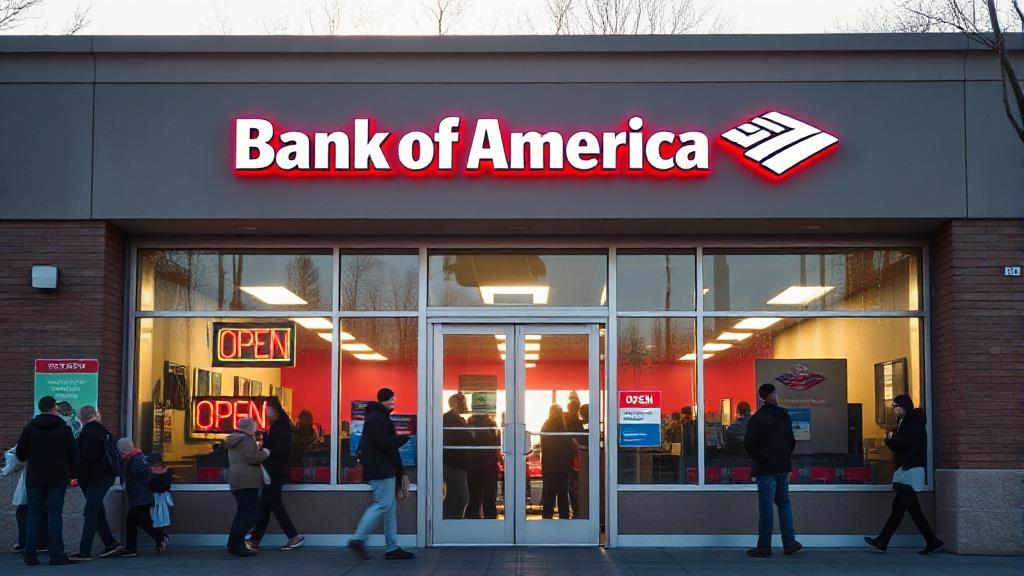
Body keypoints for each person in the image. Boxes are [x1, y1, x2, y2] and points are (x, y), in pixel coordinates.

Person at [865, 394, 943, 555]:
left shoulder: (913, 422)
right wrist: (891, 440)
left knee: (911, 509)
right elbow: (901, 443)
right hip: (906, 467)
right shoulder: (904, 421)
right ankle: (883, 541)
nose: (894, 409)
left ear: (903, 407)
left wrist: (891, 441)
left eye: (896, 406)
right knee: (900, 509)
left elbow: (907, 442)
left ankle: (931, 541)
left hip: (910, 468)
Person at [348, 388, 415, 561]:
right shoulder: (379, 418)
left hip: (382, 468)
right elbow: (384, 443)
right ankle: (358, 539)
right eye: (392, 399)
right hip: (381, 469)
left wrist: (398, 469)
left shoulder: (375, 417)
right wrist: (403, 439)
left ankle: (392, 547)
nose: (394, 402)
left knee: (389, 507)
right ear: (384, 400)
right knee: (383, 504)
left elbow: (382, 444)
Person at [16, 395, 78, 566]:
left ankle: (30, 554)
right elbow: (73, 455)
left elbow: (20, 454)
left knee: (34, 515)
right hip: (57, 478)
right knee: (55, 515)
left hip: (35, 477)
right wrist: (73, 475)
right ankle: (56, 554)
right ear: (53, 408)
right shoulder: (64, 429)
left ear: (40, 408)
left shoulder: (30, 428)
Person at [744, 384, 801, 557]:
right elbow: (791, 442)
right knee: (784, 504)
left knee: (766, 508)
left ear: (761, 398)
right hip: (782, 467)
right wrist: (783, 457)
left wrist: (761, 459)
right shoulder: (784, 416)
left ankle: (764, 546)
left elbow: (749, 444)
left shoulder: (757, 419)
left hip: (765, 469)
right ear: (775, 395)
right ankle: (789, 543)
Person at [249, 398, 304, 552]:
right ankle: (255, 539)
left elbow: (280, 448)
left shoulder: (280, 428)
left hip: (274, 471)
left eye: (268, 409)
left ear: (276, 411)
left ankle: (293, 535)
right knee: (266, 505)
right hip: (274, 470)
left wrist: (266, 451)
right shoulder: (278, 427)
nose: (266, 412)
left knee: (273, 504)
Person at [70, 406, 122, 561]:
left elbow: (87, 458)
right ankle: (110, 544)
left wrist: (74, 473)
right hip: (104, 477)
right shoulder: (103, 431)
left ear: (82, 417)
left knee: (90, 512)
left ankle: (85, 551)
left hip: (94, 478)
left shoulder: (88, 432)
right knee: (97, 511)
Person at [118, 438, 168, 558]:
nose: (120, 455)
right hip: (143, 496)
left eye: (120, 452)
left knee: (141, 521)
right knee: (136, 521)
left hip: (141, 497)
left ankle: (159, 538)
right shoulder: (140, 458)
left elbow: (138, 479)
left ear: (123, 451)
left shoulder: (135, 461)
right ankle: (133, 548)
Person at [225, 418, 268, 557]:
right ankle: (237, 545)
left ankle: (234, 544)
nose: (256, 428)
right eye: (255, 426)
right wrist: (265, 453)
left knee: (242, 513)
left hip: (237, 481)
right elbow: (251, 458)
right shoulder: (247, 439)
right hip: (247, 481)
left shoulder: (235, 439)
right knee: (252, 514)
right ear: (249, 427)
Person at [3, 445, 48, 554]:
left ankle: (27, 543)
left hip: (32, 478)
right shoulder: (60, 435)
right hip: (53, 478)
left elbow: (17, 456)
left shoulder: (30, 436)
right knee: (45, 511)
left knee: (25, 511)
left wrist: (7, 458)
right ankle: (43, 543)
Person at [441, 393, 472, 520]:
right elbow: (462, 438)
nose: (465, 405)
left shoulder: (456, 419)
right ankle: (452, 521)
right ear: (454, 404)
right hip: (453, 463)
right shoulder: (449, 419)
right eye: (463, 402)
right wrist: (470, 433)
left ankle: (447, 521)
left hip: (456, 462)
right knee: (461, 495)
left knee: (453, 494)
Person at [540, 404, 573, 520]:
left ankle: (547, 516)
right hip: (563, 465)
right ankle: (564, 516)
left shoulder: (545, 426)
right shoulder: (564, 427)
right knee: (563, 492)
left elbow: (544, 446)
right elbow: (568, 445)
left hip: (549, 465)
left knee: (550, 492)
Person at [465, 414, 499, 519]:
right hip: (486, 465)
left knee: (475, 497)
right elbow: (495, 445)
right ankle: (490, 520)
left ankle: (474, 520)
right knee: (488, 497)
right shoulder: (489, 425)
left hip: (476, 466)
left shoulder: (471, 424)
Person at [563, 399, 585, 518]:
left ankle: (575, 510)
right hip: (575, 457)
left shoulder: (567, 420)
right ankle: (577, 510)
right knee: (575, 485)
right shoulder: (575, 420)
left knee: (572, 485)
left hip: (570, 457)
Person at [148, 454, 173, 531]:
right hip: (153, 499)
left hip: (159, 498)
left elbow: (164, 486)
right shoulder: (148, 472)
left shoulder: (167, 471)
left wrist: (157, 474)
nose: (157, 467)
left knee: (160, 518)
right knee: (154, 518)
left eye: (158, 465)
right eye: (154, 465)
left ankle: (160, 536)